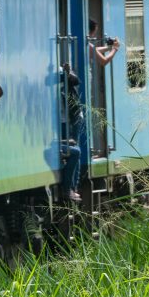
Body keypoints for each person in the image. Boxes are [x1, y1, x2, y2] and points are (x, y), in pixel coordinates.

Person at [61, 63, 83, 202]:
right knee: (75, 151)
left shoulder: (62, 71)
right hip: (68, 119)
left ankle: (73, 187)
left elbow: (76, 81)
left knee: (75, 150)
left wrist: (67, 73)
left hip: (73, 118)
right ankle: (71, 188)